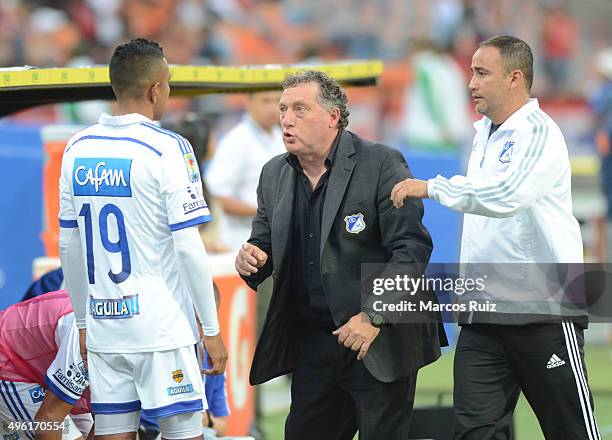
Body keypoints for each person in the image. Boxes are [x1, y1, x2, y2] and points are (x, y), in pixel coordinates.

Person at [391, 35, 601, 439]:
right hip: (483, 313)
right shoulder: (484, 132)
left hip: (543, 310)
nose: (471, 82)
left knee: (571, 429)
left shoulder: (540, 132)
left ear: (515, 78)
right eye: (471, 71)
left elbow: (508, 196)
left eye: (482, 73)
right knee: (474, 431)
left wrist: (433, 187)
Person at [235, 70, 444, 440]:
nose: (286, 118)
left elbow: (411, 249)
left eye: (300, 108)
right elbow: (262, 242)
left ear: (333, 116)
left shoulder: (381, 163)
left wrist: (372, 316)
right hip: (314, 343)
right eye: (284, 108)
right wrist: (252, 259)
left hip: (378, 338)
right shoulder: (272, 175)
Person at [58, 38, 227, 440]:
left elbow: (70, 247)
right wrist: (211, 328)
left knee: (113, 433)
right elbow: (188, 246)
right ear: (156, 89)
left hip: (103, 328)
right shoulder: (169, 149)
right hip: (160, 330)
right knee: (184, 434)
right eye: (168, 83)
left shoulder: (76, 148)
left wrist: (83, 322)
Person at [139, 284, 230, 440]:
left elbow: (222, 425)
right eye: (196, 320)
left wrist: (207, 419)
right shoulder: (151, 353)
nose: (200, 332)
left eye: (205, 324)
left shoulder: (213, 358)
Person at [0, 290, 93, 440]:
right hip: (10, 363)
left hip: (48, 362)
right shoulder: (86, 336)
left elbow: (117, 430)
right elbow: (48, 420)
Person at [205, 91, 285, 251]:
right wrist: (265, 212)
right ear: (249, 103)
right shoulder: (237, 140)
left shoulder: (280, 137)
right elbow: (215, 196)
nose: (272, 108)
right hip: (243, 240)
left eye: (277, 101)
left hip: (277, 239)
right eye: (265, 101)